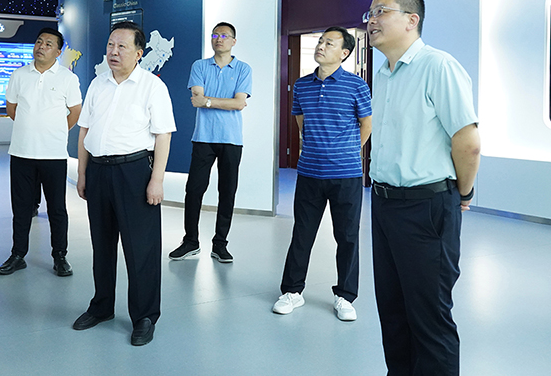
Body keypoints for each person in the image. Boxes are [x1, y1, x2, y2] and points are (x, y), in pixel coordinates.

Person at [365, 0, 480, 375]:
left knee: (429, 317)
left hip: (426, 207)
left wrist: (464, 193)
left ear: (411, 20)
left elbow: (468, 142)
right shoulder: (383, 73)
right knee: (393, 311)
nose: (371, 20)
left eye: (381, 11)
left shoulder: (438, 66)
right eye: (370, 13)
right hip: (383, 204)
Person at [72, 21, 176, 347]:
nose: (113, 52)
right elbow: (84, 131)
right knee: (102, 245)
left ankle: (144, 316)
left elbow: (163, 135)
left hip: (134, 173)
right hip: (98, 171)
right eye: (110, 45)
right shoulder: (97, 84)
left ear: (139, 53)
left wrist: (156, 180)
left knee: (141, 248)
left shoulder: (152, 86)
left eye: (122, 46)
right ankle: (101, 306)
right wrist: (83, 174)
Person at [272, 27, 372, 321]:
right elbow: (301, 121)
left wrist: (347, 151)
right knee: (302, 234)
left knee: (347, 237)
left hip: (346, 174)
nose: (321, 46)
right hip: (309, 172)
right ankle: (292, 291)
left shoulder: (357, 85)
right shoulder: (302, 85)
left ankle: (345, 296)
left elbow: (366, 124)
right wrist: (318, 146)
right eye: (320, 41)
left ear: (344, 53)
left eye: (330, 43)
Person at [0, 27, 82, 277]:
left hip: (53, 154)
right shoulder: (19, 75)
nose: (41, 47)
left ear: (58, 51)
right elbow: (12, 108)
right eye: (39, 41)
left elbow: (75, 112)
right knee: (21, 208)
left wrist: (53, 131)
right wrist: (30, 128)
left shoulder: (67, 78)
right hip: (21, 152)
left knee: (57, 208)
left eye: (48, 44)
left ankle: (60, 256)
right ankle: (18, 255)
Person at [169, 22, 252, 263]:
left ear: (233, 41)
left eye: (224, 35)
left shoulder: (243, 69)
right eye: (215, 35)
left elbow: (239, 103)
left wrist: (208, 101)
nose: (219, 39)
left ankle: (220, 244)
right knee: (194, 190)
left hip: (231, 140)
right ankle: (190, 241)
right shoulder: (199, 66)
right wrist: (220, 102)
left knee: (227, 192)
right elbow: (197, 98)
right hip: (203, 137)